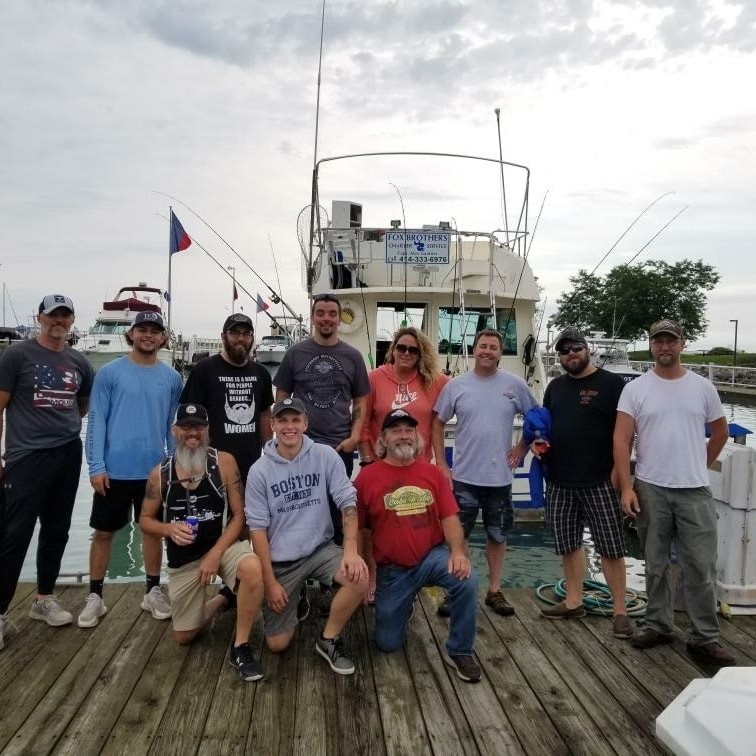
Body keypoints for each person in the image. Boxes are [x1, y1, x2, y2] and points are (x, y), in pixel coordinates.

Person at [614, 318, 736, 665]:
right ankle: (658, 623)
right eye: (658, 341)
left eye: (671, 340)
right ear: (651, 345)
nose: (664, 346)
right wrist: (627, 486)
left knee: (700, 565)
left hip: (695, 489)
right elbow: (621, 440)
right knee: (655, 562)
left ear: (682, 344)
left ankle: (704, 637)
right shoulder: (636, 389)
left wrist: (699, 462)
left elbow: (720, 432)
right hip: (651, 487)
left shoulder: (702, 387)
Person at [140, 403, 266, 681]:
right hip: (184, 558)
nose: (192, 433)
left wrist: (215, 554)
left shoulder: (224, 462)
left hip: (222, 547)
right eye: (186, 427)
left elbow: (239, 516)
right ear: (175, 431)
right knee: (184, 636)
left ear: (207, 430)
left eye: (198, 426)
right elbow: (145, 521)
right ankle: (225, 597)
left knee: (252, 568)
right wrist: (169, 528)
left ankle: (241, 645)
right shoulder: (160, 474)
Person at [355, 409, 481, 682]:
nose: (403, 435)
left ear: (417, 436)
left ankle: (459, 650)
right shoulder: (366, 478)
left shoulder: (432, 474)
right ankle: (404, 604)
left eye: (409, 430)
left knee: (467, 580)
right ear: (384, 439)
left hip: (431, 558)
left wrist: (458, 553)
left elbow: (450, 517)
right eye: (396, 430)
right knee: (387, 644)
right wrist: (371, 576)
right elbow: (363, 532)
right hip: (391, 569)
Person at [245, 397, 369, 675]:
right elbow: (257, 530)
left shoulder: (325, 456)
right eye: (283, 420)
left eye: (295, 420)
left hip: (319, 549)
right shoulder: (259, 471)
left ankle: (329, 639)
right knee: (277, 644)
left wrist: (350, 549)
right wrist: (269, 581)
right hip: (281, 561)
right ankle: (295, 594)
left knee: (359, 578)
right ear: (273, 424)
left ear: (305, 423)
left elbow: (348, 502)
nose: (290, 427)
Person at [79, 311, 183, 628]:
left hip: (154, 472)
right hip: (114, 471)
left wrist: (174, 465)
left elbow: (172, 427)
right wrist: (96, 466)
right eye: (142, 330)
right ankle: (95, 595)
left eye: (155, 331)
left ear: (163, 337)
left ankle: (152, 589)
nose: (148, 336)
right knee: (104, 532)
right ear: (131, 334)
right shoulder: (110, 374)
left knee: (151, 530)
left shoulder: (172, 378)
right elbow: (96, 421)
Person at [0, 294, 93, 647]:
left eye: (65, 315)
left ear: (72, 320)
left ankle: (44, 599)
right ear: (40, 317)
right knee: (14, 534)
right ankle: (0, 612)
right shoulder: (17, 356)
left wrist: (61, 428)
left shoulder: (79, 362)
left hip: (67, 453)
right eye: (53, 315)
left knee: (57, 529)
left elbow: (80, 407)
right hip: (26, 457)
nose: (59, 321)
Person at [274, 292, 370, 613]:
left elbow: (360, 400)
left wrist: (355, 435)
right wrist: (285, 438)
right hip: (300, 450)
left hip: (338, 448)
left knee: (336, 516)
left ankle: (334, 581)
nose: (326, 318)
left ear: (339, 318)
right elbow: (282, 397)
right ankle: (298, 584)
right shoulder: (295, 353)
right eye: (321, 313)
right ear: (313, 316)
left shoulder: (353, 356)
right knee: (298, 513)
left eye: (332, 313)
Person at [432, 328, 538, 617]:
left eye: (493, 347)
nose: (487, 351)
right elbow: (438, 423)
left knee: (498, 536)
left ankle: (494, 590)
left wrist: (521, 449)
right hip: (464, 478)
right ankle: (458, 591)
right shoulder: (457, 385)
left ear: (499, 353)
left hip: (500, 480)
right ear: (474, 349)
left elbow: (536, 419)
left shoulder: (515, 385)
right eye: (483, 346)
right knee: (458, 539)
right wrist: (441, 463)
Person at [537, 327, 632, 638]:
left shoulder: (613, 384)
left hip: (599, 480)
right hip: (560, 480)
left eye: (575, 348)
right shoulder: (555, 387)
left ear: (587, 348)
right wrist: (540, 445)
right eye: (564, 351)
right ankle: (573, 600)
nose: (570, 354)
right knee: (568, 544)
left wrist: (620, 476)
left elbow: (626, 435)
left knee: (611, 548)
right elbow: (548, 428)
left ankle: (620, 610)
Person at [180, 313, 273, 485]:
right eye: (234, 333)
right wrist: (190, 460)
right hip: (211, 464)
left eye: (246, 334)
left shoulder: (262, 373)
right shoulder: (204, 370)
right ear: (223, 336)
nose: (241, 338)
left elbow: (265, 414)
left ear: (252, 338)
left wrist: (269, 452)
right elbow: (188, 419)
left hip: (252, 465)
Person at [358, 326, 449, 465]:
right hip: (381, 464)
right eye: (401, 348)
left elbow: (462, 388)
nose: (406, 353)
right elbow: (362, 424)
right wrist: (366, 461)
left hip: (419, 466)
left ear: (420, 355)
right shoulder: (374, 378)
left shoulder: (433, 381)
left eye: (413, 350)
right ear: (393, 350)